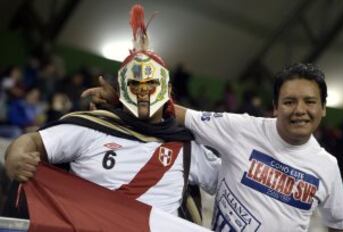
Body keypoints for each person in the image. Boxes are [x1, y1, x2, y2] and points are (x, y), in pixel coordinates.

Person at [3, 4, 220, 224]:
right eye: (135, 84)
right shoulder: (89, 128)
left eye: (151, 83)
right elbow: (32, 141)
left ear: (168, 89)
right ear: (122, 89)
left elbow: (229, 180)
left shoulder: (187, 148)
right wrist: (15, 155)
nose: (143, 91)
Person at [84, 63, 343, 231]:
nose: (300, 110)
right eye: (289, 102)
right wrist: (122, 99)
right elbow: (176, 112)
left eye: (310, 102)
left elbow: (342, 226)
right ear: (275, 108)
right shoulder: (240, 128)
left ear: (323, 109)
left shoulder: (327, 166)